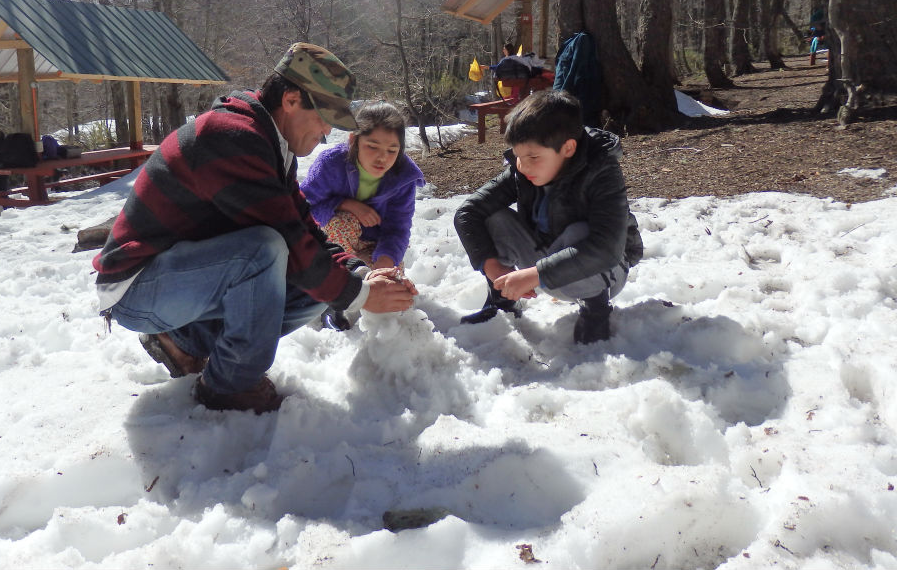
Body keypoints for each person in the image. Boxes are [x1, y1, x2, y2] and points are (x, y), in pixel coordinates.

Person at [93, 43, 418, 414]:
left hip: (184, 281)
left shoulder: (270, 143)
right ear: (292, 99)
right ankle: (230, 385)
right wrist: (359, 295)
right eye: (324, 116)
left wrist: (360, 274)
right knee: (265, 249)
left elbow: (304, 227)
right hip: (139, 286)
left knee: (317, 285)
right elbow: (285, 237)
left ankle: (185, 342)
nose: (327, 131)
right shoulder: (231, 137)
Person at [454, 89, 643, 344]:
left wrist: (533, 275)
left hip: (603, 273)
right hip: (544, 260)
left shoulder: (602, 170)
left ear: (568, 148)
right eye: (518, 156)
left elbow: (606, 249)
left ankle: (595, 312)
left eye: (533, 157)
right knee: (491, 217)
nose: (523, 166)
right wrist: (493, 268)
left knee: (580, 231)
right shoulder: (523, 170)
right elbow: (468, 212)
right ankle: (502, 301)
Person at [301, 100, 424, 270]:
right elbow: (305, 208)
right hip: (332, 248)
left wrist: (384, 264)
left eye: (392, 150)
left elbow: (397, 229)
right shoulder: (331, 164)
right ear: (353, 140)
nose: (382, 158)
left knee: (393, 290)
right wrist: (344, 204)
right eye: (372, 147)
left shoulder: (403, 177)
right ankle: (341, 274)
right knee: (342, 223)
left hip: (377, 247)